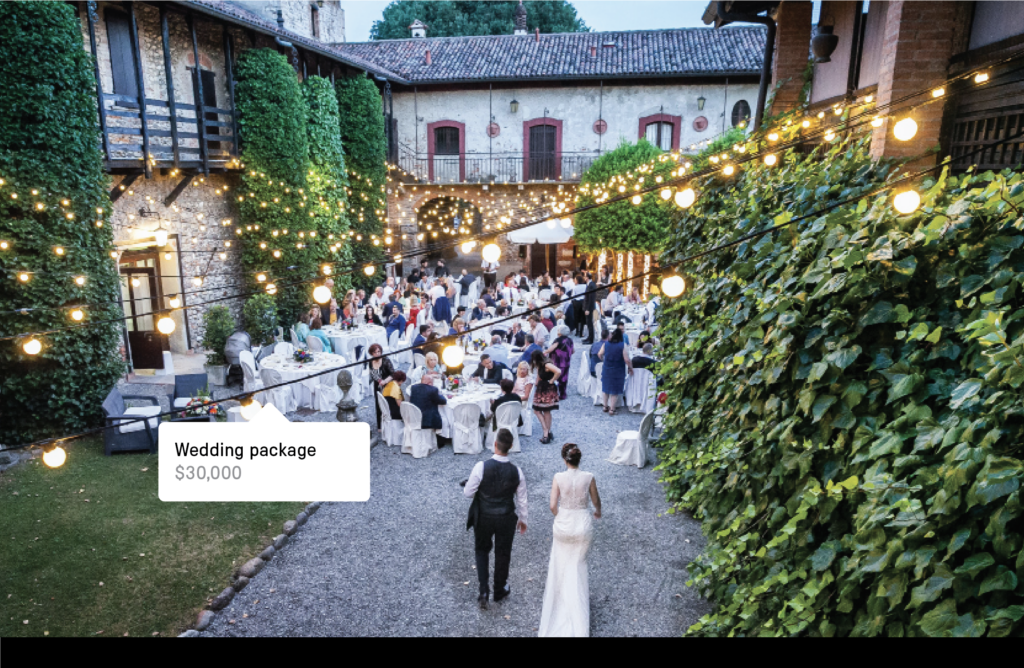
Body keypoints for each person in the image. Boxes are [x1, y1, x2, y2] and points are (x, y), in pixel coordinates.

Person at [538, 443, 601, 637]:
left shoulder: (558, 477)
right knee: (578, 566)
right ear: (579, 459)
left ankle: (560, 603)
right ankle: (578, 613)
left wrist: (560, 516)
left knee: (560, 564)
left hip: (564, 524)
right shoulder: (588, 477)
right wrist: (598, 511)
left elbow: (552, 505)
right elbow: (596, 501)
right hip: (582, 524)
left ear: (564, 460)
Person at [463, 428, 527, 609]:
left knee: (482, 550)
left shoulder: (481, 467)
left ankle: (484, 590)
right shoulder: (517, 472)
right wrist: (523, 520)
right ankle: (500, 589)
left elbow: (468, 493)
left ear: (495, 444)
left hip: (483, 516)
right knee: (503, 553)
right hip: (506, 517)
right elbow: (522, 500)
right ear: (511, 446)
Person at [530, 350, 562, 444]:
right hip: (541, 388)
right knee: (541, 410)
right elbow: (538, 377)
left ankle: (546, 432)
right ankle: (547, 432)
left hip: (547, 388)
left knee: (543, 410)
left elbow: (558, 371)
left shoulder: (546, 364)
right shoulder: (541, 364)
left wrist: (551, 380)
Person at [599, 328, 632, 416]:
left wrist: (604, 361)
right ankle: (612, 409)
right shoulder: (622, 345)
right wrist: (630, 368)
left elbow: (599, 354)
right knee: (615, 390)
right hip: (618, 369)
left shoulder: (606, 344)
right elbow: (626, 359)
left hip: (607, 368)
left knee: (605, 388)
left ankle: (605, 406)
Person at [366, 343, 395, 431]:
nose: (378, 353)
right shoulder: (371, 362)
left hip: (388, 384)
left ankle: (391, 423)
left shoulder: (386, 360)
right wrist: (379, 381)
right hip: (377, 386)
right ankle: (380, 425)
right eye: (375, 352)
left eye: (379, 351)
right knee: (378, 404)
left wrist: (385, 381)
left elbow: (393, 373)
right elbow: (372, 373)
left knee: (389, 403)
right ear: (372, 353)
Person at [545, 326, 575, 400]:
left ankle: (553, 394)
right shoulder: (570, 340)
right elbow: (573, 351)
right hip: (566, 362)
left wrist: (545, 352)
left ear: (560, 332)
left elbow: (551, 348)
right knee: (564, 378)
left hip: (557, 361)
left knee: (554, 377)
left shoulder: (558, 340)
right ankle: (563, 394)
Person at [582, 272, 598, 345]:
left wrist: (587, 309)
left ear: (587, 277)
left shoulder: (591, 285)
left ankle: (591, 339)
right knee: (588, 323)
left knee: (589, 323)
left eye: (585, 276)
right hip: (588, 306)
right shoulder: (590, 284)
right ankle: (589, 337)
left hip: (589, 307)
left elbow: (591, 298)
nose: (584, 278)